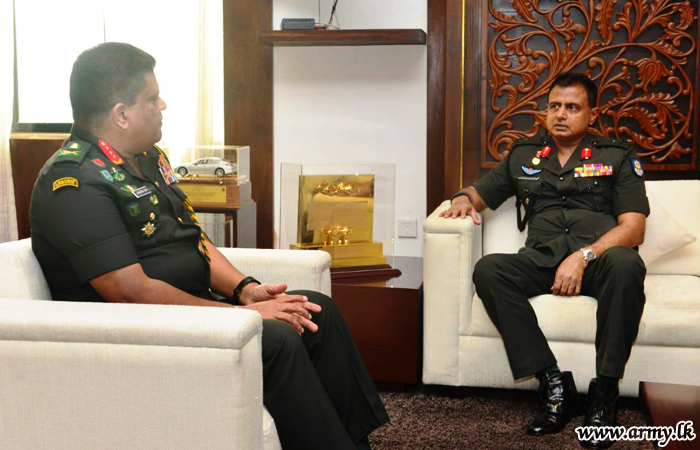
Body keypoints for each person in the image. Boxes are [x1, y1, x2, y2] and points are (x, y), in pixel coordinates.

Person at [29, 42, 388, 450]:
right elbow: (128, 291)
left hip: (191, 313)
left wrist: (246, 290)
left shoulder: (147, 158)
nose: (163, 104)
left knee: (315, 310)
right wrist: (240, 317)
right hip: (138, 337)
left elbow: (193, 238)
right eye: (152, 98)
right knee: (276, 338)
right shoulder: (74, 183)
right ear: (121, 115)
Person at [440, 72, 649, 449]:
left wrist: (583, 257)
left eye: (572, 107)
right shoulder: (524, 155)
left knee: (627, 264)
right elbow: (478, 193)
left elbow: (633, 228)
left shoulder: (617, 156)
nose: (561, 114)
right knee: (489, 270)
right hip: (542, 259)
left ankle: (604, 393)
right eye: (554, 106)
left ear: (592, 114)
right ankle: (554, 384)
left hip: (598, 261)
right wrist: (461, 200)